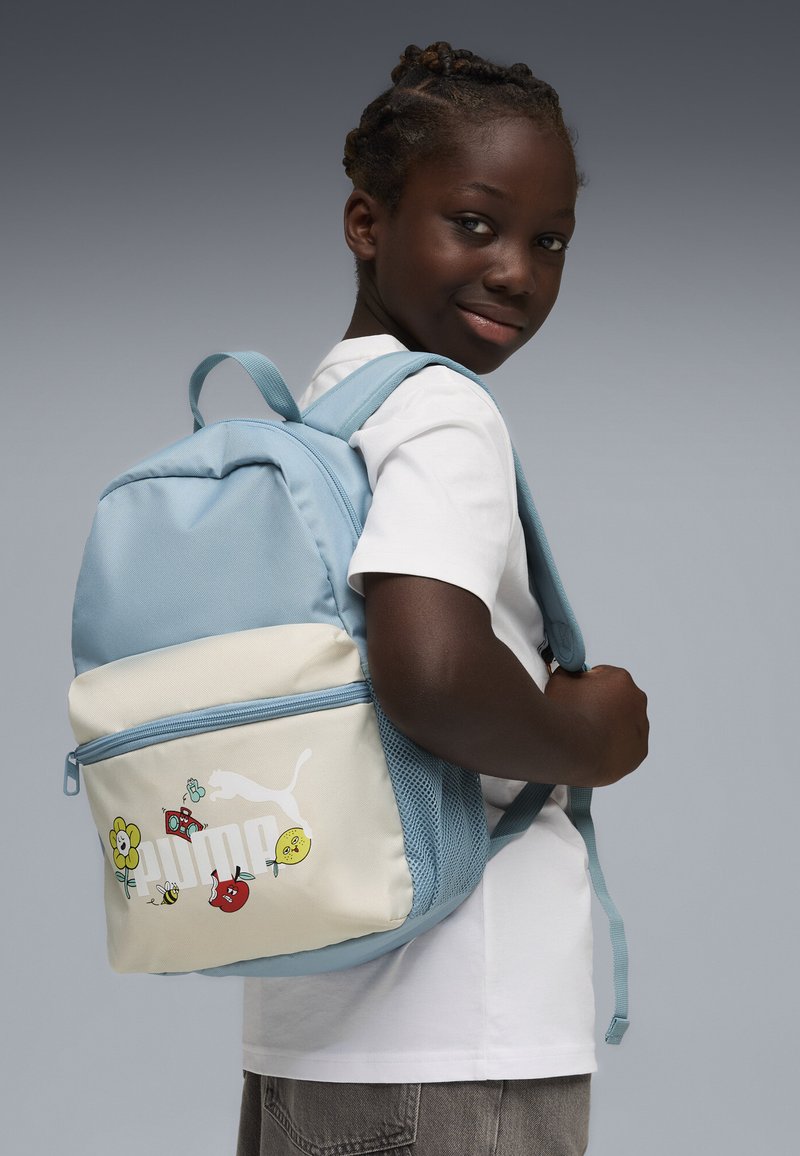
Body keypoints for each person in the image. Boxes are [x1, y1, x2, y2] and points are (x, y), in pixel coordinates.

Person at [236, 41, 648, 1156]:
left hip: (308, 1020)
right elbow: (429, 675)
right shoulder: (439, 412)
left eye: (549, 241)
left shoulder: (312, 418)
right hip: (458, 1030)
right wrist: (593, 737)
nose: (516, 270)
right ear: (366, 222)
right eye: (475, 223)